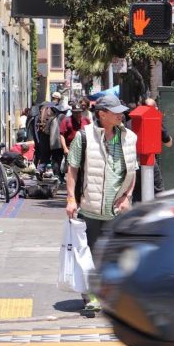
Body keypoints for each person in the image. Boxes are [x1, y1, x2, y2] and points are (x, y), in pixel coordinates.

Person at [65, 94, 138, 314]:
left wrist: (127, 196)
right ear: (102, 114)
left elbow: (132, 171)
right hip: (91, 207)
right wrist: (70, 198)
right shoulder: (84, 137)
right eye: (115, 111)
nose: (120, 115)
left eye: (121, 111)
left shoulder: (129, 137)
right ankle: (91, 296)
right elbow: (73, 169)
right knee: (91, 255)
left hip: (117, 209)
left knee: (115, 256)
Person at [131, 97, 172, 202]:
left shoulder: (132, 119)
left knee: (135, 191)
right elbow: (169, 143)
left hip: (132, 161)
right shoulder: (155, 119)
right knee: (159, 189)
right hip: (148, 160)